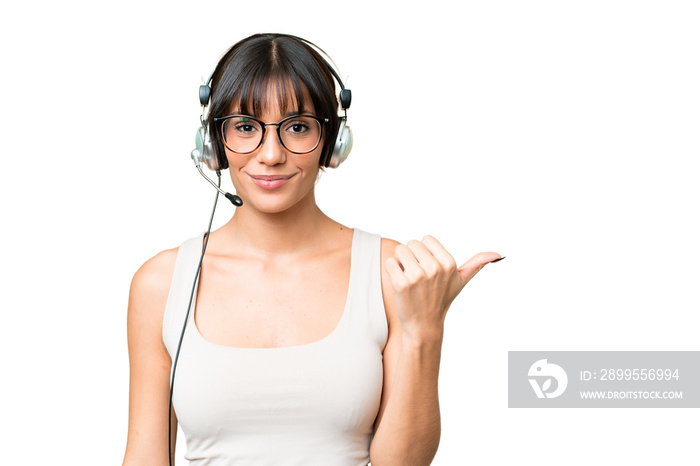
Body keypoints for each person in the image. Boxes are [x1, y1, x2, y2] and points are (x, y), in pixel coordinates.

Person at [122, 33, 502, 466]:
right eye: (246, 126)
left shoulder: (392, 271)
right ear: (213, 143)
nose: (270, 154)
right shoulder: (162, 282)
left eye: (298, 127)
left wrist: (425, 329)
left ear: (333, 142)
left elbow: (403, 464)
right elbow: (145, 458)